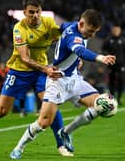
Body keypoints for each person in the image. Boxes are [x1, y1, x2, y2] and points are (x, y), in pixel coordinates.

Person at [10, 9, 116, 159]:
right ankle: (19, 147)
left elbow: (63, 30)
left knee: (101, 105)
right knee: (44, 122)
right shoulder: (73, 36)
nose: (92, 35)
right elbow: (80, 50)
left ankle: (66, 132)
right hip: (57, 80)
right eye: (91, 31)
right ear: (81, 24)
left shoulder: (73, 25)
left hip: (74, 80)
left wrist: (73, 59)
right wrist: (100, 58)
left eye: (95, 32)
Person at [0, 0, 73, 157]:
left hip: (40, 73)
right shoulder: (19, 28)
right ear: (24, 12)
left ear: (41, 11)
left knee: (51, 103)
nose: (35, 15)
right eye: (31, 12)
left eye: (37, 12)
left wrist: (74, 57)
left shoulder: (48, 23)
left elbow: (64, 40)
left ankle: (61, 144)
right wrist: (46, 69)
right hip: (19, 71)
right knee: (3, 110)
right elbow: (25, 58)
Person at [102, 24, 125, 104]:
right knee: (111, 81)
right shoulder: (108, 40)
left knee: (121, 80)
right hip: (111, 64)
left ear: (120, 31)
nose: (116, 31)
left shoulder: (123, 40)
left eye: (118, 30)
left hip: (121, 65)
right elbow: (103, 51)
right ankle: (112, 98)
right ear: (112, 30)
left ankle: (119, 98)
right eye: (115, 30)